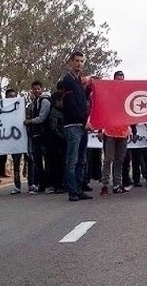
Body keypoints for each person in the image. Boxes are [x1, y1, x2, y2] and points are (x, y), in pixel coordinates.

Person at [58, 51, 93, 202]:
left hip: (82, 126)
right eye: (77, 61)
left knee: (81, 160)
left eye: (81, 61)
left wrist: (91, 87)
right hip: (72, 125)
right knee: (72, 160)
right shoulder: (68, 80)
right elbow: (72, 105)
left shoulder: (79, 81)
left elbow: (83, 100)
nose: (79, 64)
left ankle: (78, 189)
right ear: (71, 62)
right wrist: (84, 120)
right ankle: (72, 191)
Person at [24, 80, 52, 194]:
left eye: (38, 89)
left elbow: (42, 118)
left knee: (47, 161)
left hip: (44, 135)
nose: (36, 91)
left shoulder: (45, 101)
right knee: (37, 162)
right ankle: (40, 184)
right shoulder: (33, 103)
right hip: (35, 136)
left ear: (41, 89)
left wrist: (30, 121)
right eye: (34, 89)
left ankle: (49, 184)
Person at [46, 91, 66, 194]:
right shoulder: (54, 112)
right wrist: (63, 137)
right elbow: (54, 129)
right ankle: (58, 185)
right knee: (58, 165)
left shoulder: (63, 111)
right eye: (60, 100)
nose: (62, 102)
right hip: (57, 143)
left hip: (61, 141)